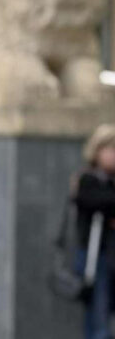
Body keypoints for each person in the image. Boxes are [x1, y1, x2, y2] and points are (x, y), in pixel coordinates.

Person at [74, 124, 115, 339]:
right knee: (98, 318)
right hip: (96, 257)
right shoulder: (89, 180)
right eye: (110, 149)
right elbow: (95, 202)